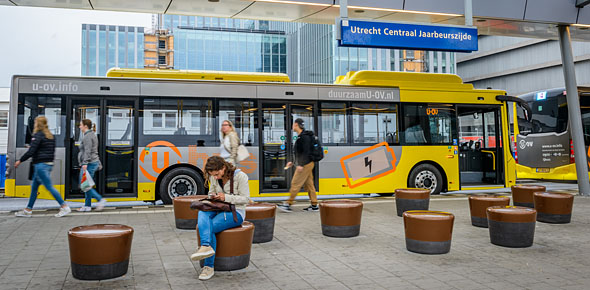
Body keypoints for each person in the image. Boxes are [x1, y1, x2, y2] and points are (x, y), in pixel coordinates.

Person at [190, 156, 250, 280]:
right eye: (213, 175)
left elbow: (245, 199)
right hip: (218, 208)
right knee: (202, 212)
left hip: (236, 212)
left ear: (223, 167)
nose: (215, 177)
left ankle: (208, 266)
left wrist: (225, 197)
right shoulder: (214, 176)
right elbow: (211, 192)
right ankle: (206, 246)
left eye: (217, 174)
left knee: (209, 227)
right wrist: (212, 196)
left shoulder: (240, 176)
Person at [14, 116, 71, 218]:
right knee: (34, 188)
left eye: (35, 122)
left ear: (38, 124)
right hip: (47, 164)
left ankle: (64, 206)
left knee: (49, 187)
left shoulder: (38, 135)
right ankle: (28, 209)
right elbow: (50, 151)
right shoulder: (50, 136)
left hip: (40, 165)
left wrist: (20, 160)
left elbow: (31, 151)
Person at [277, 118, 319, 212]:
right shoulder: (302, 136)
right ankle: (314, 205)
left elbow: (306, 152)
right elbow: (299, 152)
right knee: (309, 185)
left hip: (305, 164)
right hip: (307, 163)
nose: (292, 126)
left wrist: (300, 164)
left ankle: (288, 204)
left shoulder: (304, 137)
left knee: (295, 183)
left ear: (296, 125)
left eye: (293, 124)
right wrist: (292, 161)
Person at [77, 119, 106, 212]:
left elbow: (88, 151)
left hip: (89, 163)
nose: (79, 126)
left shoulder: (88, 136)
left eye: (80, 125)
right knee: (87, 184)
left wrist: (85, 163)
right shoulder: (90, 135)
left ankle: (100, 199)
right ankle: (87, 206)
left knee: (84, 185)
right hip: (91, 162)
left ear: (85, 126)